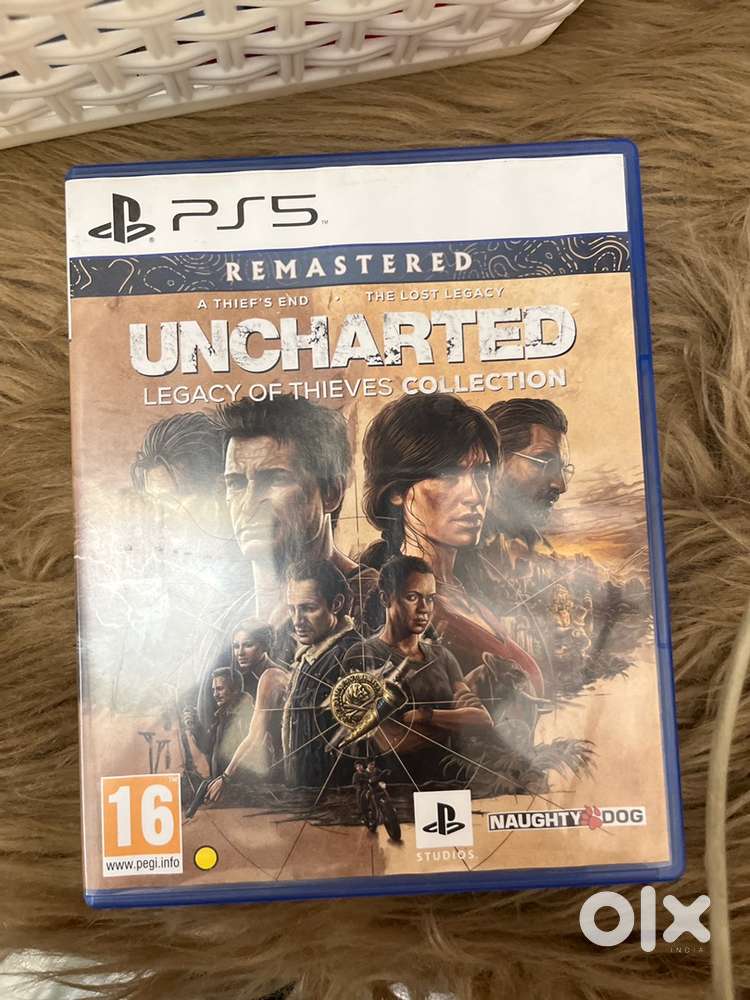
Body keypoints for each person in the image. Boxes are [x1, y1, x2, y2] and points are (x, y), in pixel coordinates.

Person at [358, 392, 544, 700]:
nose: (474, 496)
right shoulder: (391, 609)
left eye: (481, 473)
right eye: (448, 475)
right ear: (396, 492)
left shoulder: (472, 592)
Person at [213, 394, 379, 645]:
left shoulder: (379, 602)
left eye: (275, 479)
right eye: (236, 483)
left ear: (331, 492)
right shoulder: (225, 618)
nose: (248, 505)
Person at [206, 559, 360, 800]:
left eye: (308, 608)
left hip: (335, 798)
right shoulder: (312, 657)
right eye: (292, 609)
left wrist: (226, 777)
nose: (297, 620)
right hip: (307, 794)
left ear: (337, 604)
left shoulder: (352, 655)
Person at [341, 555, 493, 782]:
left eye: (430, 599)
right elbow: (391, 742)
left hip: (450, 783)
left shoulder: (443, 656)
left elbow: (483, 720)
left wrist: (424, 716)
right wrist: (457, 721)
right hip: (396, 788)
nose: (424, 609)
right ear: (385, 598)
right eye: (412, 597)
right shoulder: (362, 656)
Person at [483, 398, 572, 566]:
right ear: (495, 460)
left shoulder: (543, 551)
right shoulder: (453, 549)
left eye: (563, 469)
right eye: (545, 463)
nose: (561, 486)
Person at [185, 667, 254, 788]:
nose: (215, 694)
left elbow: (249, 756)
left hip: (238, 788)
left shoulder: (245, 717)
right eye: (214, 690)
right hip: (223, 786)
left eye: (220, 689)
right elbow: (208, 748)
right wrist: (195, 727)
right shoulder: (223, 715)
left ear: (235, 690)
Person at [230, 619, 283, 699]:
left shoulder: (275, 676)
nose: (240, 653)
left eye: (248, 645)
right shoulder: (244, 678)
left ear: (265, 645)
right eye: (236, 646)